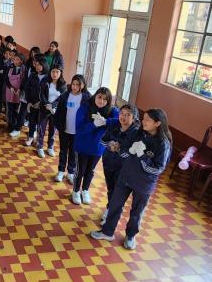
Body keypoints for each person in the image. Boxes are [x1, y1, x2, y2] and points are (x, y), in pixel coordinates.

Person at [91, 108, 172, 250]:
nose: (143, 121)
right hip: (126, 176)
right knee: (115, 204)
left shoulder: (163, 143)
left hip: (143, 183)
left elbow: (158, 168)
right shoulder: (138, 133)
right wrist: (120, 149)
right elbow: (125, 152)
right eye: (144, 118)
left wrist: (142, 156)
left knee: (136, 212)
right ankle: (107, 231)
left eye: (147, 119)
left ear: (158, 123)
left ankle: (130, 236)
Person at [70, 87, 119, 205]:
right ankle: (76, 190)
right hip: (82, 145)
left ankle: (85, 190)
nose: (101, 101)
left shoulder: (112, 111)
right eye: (99, 97)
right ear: (95, 96)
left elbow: (119, 121)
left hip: (97, 148)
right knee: (80, 170)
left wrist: (106, 121)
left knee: (90, 171)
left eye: (105, 99)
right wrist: (94, 125)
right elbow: (79, 129)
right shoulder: (85, 108)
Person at [99, 104, 140, 224]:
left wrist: (119, 150)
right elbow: (102, 140)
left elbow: (134, 154)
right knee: (111, 189)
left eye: (128, 115)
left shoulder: (136, 133)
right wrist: (109, 145)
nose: (124, 117)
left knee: (118, 192)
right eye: (122, 113)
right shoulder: (114, 125)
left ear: (134, 118)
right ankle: (110, 209)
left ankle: (112, 214)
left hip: (124, 168)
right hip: (108, 163)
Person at [53, 74, 90, 184]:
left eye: (77, 85)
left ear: (82, 85)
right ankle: (60, 171)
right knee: (63, 151)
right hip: (65, 129)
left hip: (77, 131)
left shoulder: (87, 97)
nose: (74, 87)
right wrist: (58, 124)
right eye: (73, 84)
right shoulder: (65, 95)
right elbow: (58, 111)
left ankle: (70, 172)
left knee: (74, 152)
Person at [36, 67, 65, 158]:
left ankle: (50, 147)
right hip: (44, 108)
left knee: (53, 129)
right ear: (50, 72)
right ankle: (40, 147)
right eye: (53, 71)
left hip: (55, 111)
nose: (55, 74)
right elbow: (41, 95)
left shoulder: (63, 85)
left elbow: (61, 99)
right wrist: (47, 104)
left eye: (57, 72)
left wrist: (52, 105)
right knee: (41, 128)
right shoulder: (45, 82)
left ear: (60, 73)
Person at [5, 53, 27, 138]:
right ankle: (10, 124)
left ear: (21, 61)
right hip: (10, 91)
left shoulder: (24, 69)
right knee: (9, 109)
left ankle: (15, 125)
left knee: (16, 109)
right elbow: (6, 78)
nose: (15, 61)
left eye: (17, 60)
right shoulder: (10, 67)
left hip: (18, 92)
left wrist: (20, 89)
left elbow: (24, 80)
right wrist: (10, 87)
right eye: (14, 59)